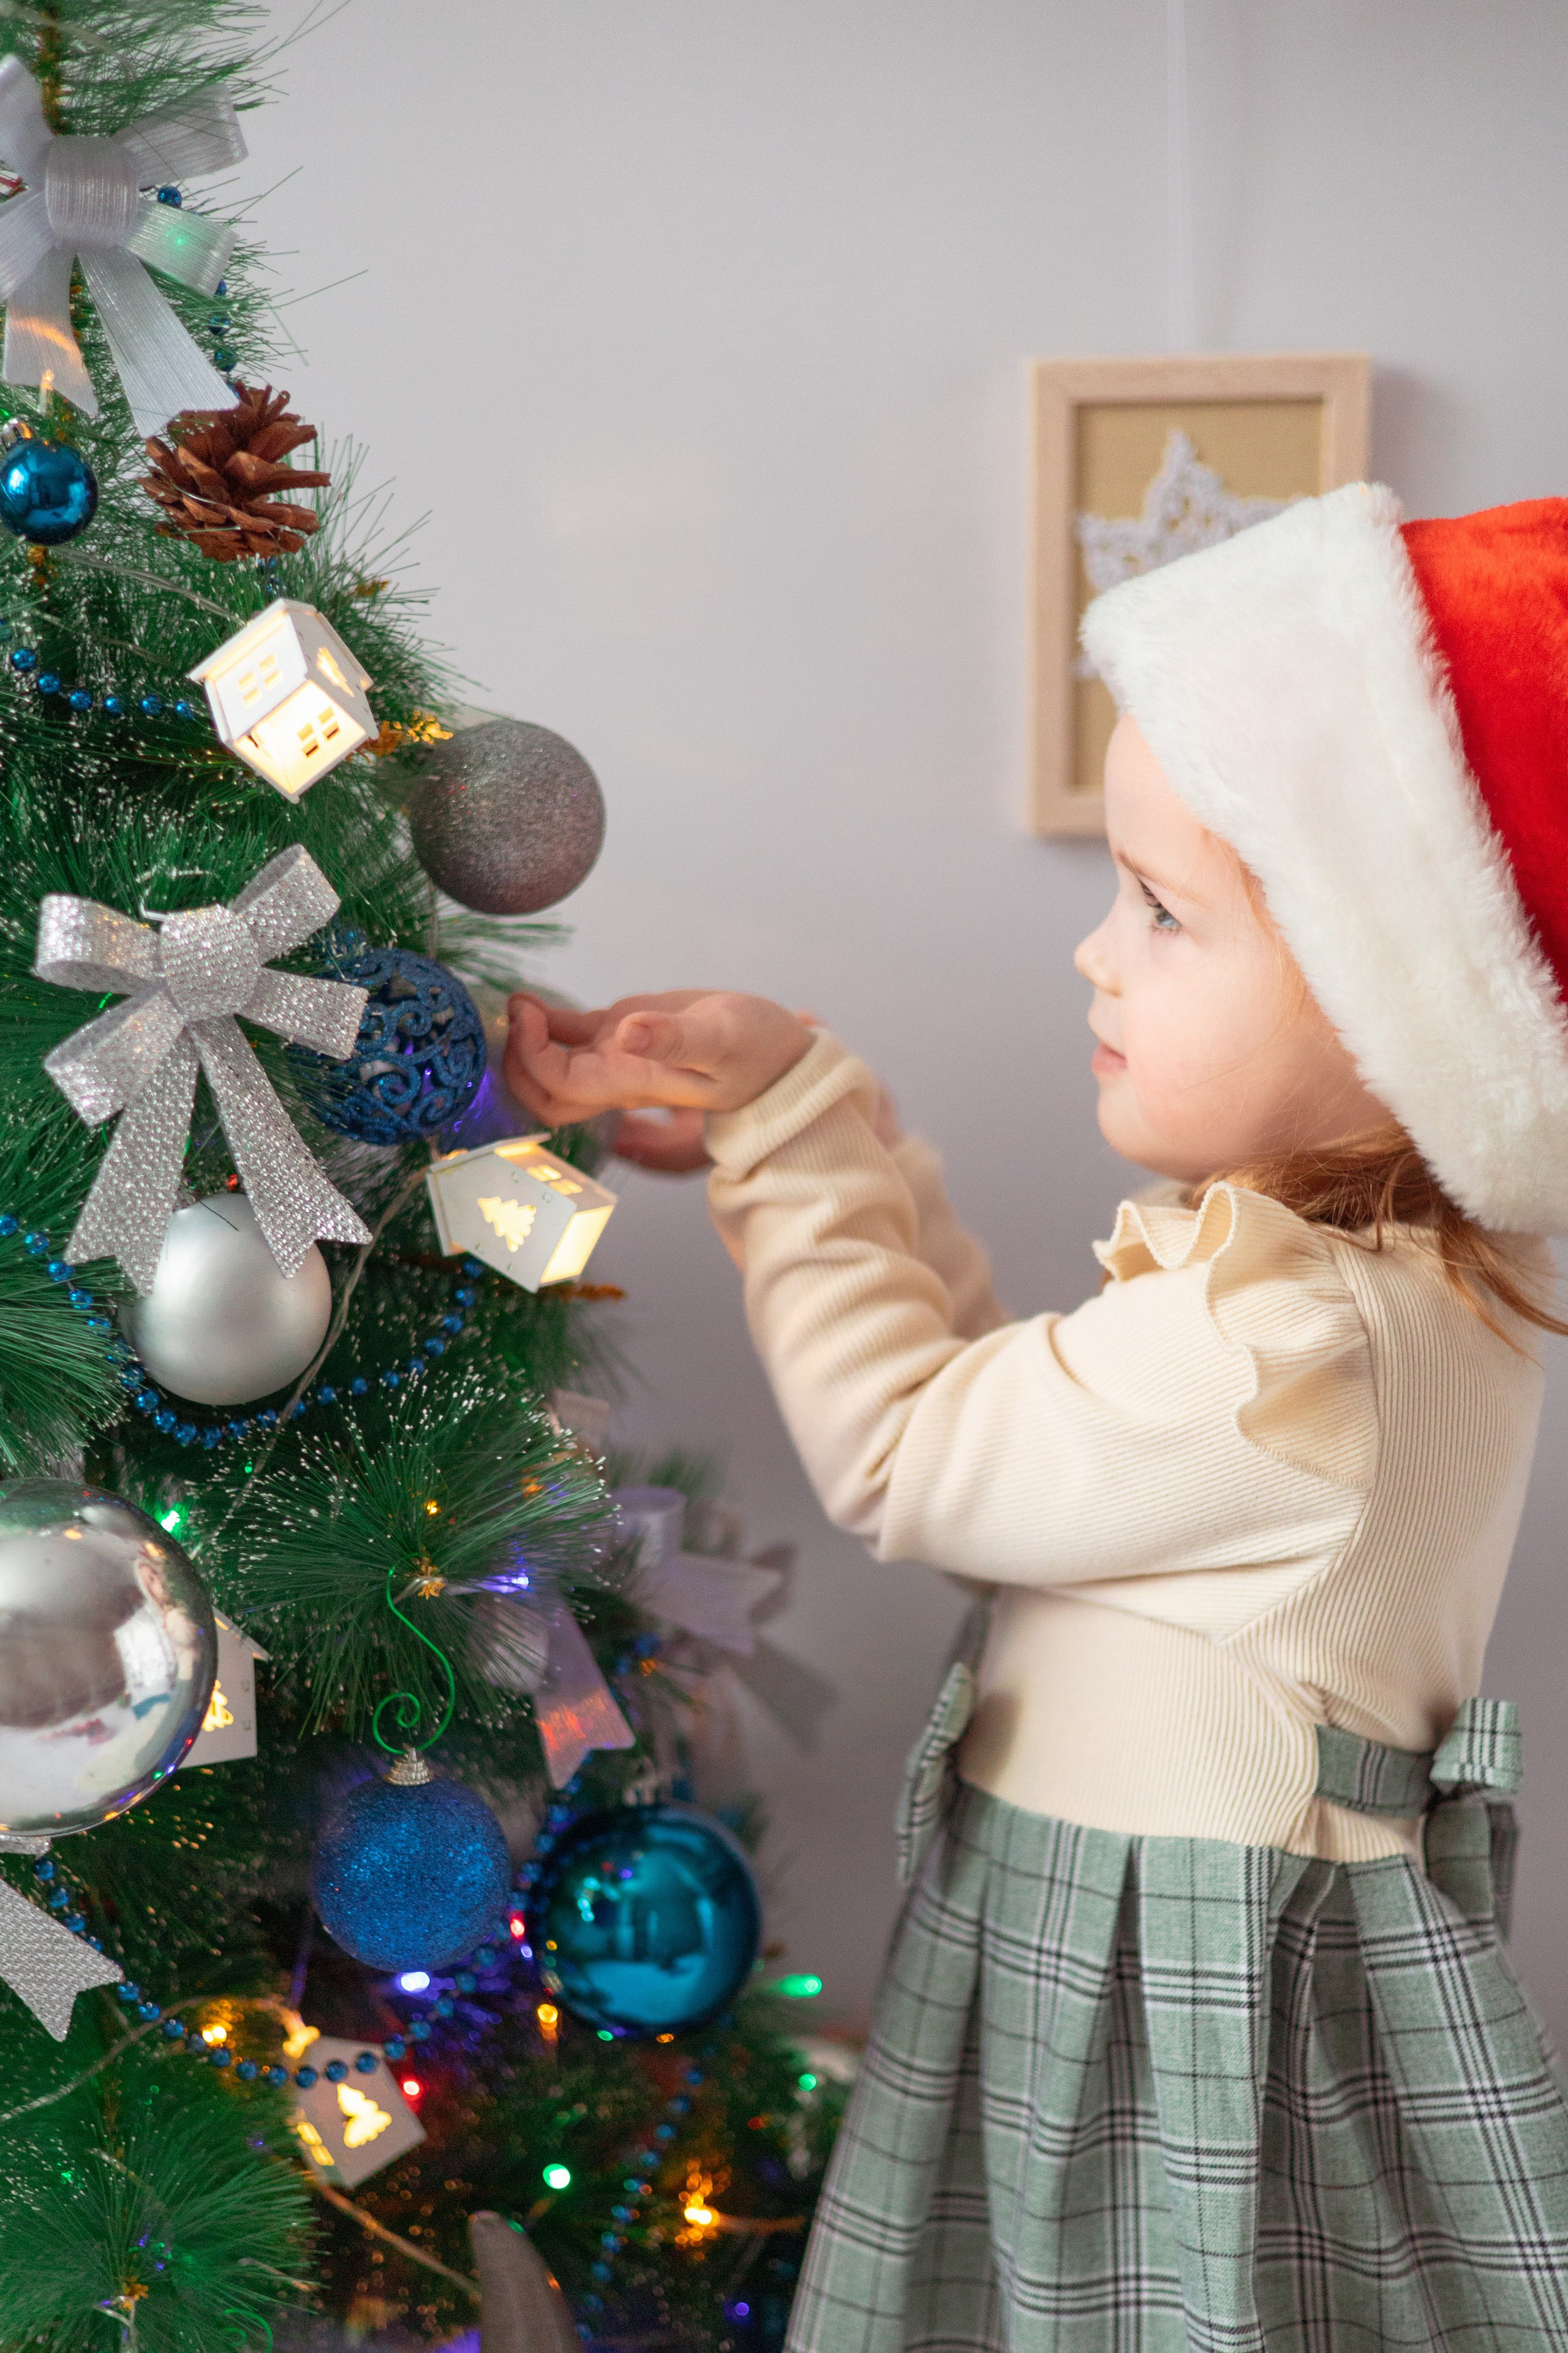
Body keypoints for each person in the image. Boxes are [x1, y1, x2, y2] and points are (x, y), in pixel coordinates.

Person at [504, 483, 1568, 2347]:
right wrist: (812, 1113)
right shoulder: (1372, 1292)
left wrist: (784, 1128)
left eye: (1165, 912)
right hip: (1183, 1977)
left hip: (1168, 2033)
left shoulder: (1278, 1336)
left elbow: (919, 1451)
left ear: (1407, 1007)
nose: (1096, 953)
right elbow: (1032, 1419)